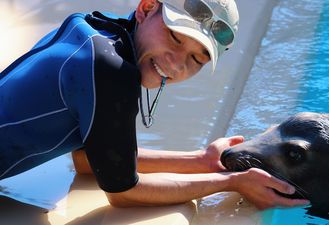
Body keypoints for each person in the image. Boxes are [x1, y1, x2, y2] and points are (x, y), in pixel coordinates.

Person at [0, 0, 309, 209]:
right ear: (146, 8)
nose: (176, 65)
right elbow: (123, 192)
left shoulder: (94, 32)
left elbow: (85, 160)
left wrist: (201, 161)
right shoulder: (108, 70)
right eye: (175, 38)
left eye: (196, 59)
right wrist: (233, 182)